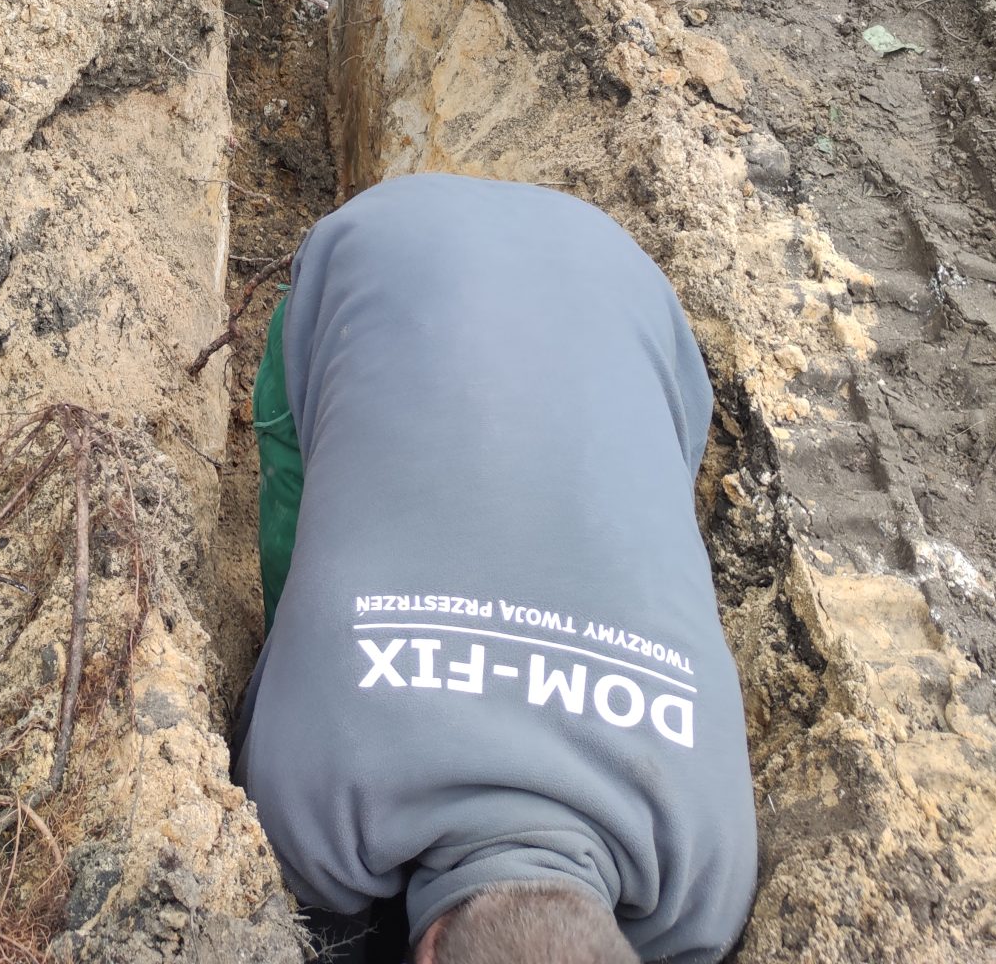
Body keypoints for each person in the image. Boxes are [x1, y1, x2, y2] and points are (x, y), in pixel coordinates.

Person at [233, 174, 759, 964]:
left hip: (625, 295)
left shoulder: (705, 885)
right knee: (301, 543)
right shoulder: (305, 806)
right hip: (382, 261)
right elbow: (308, 923)